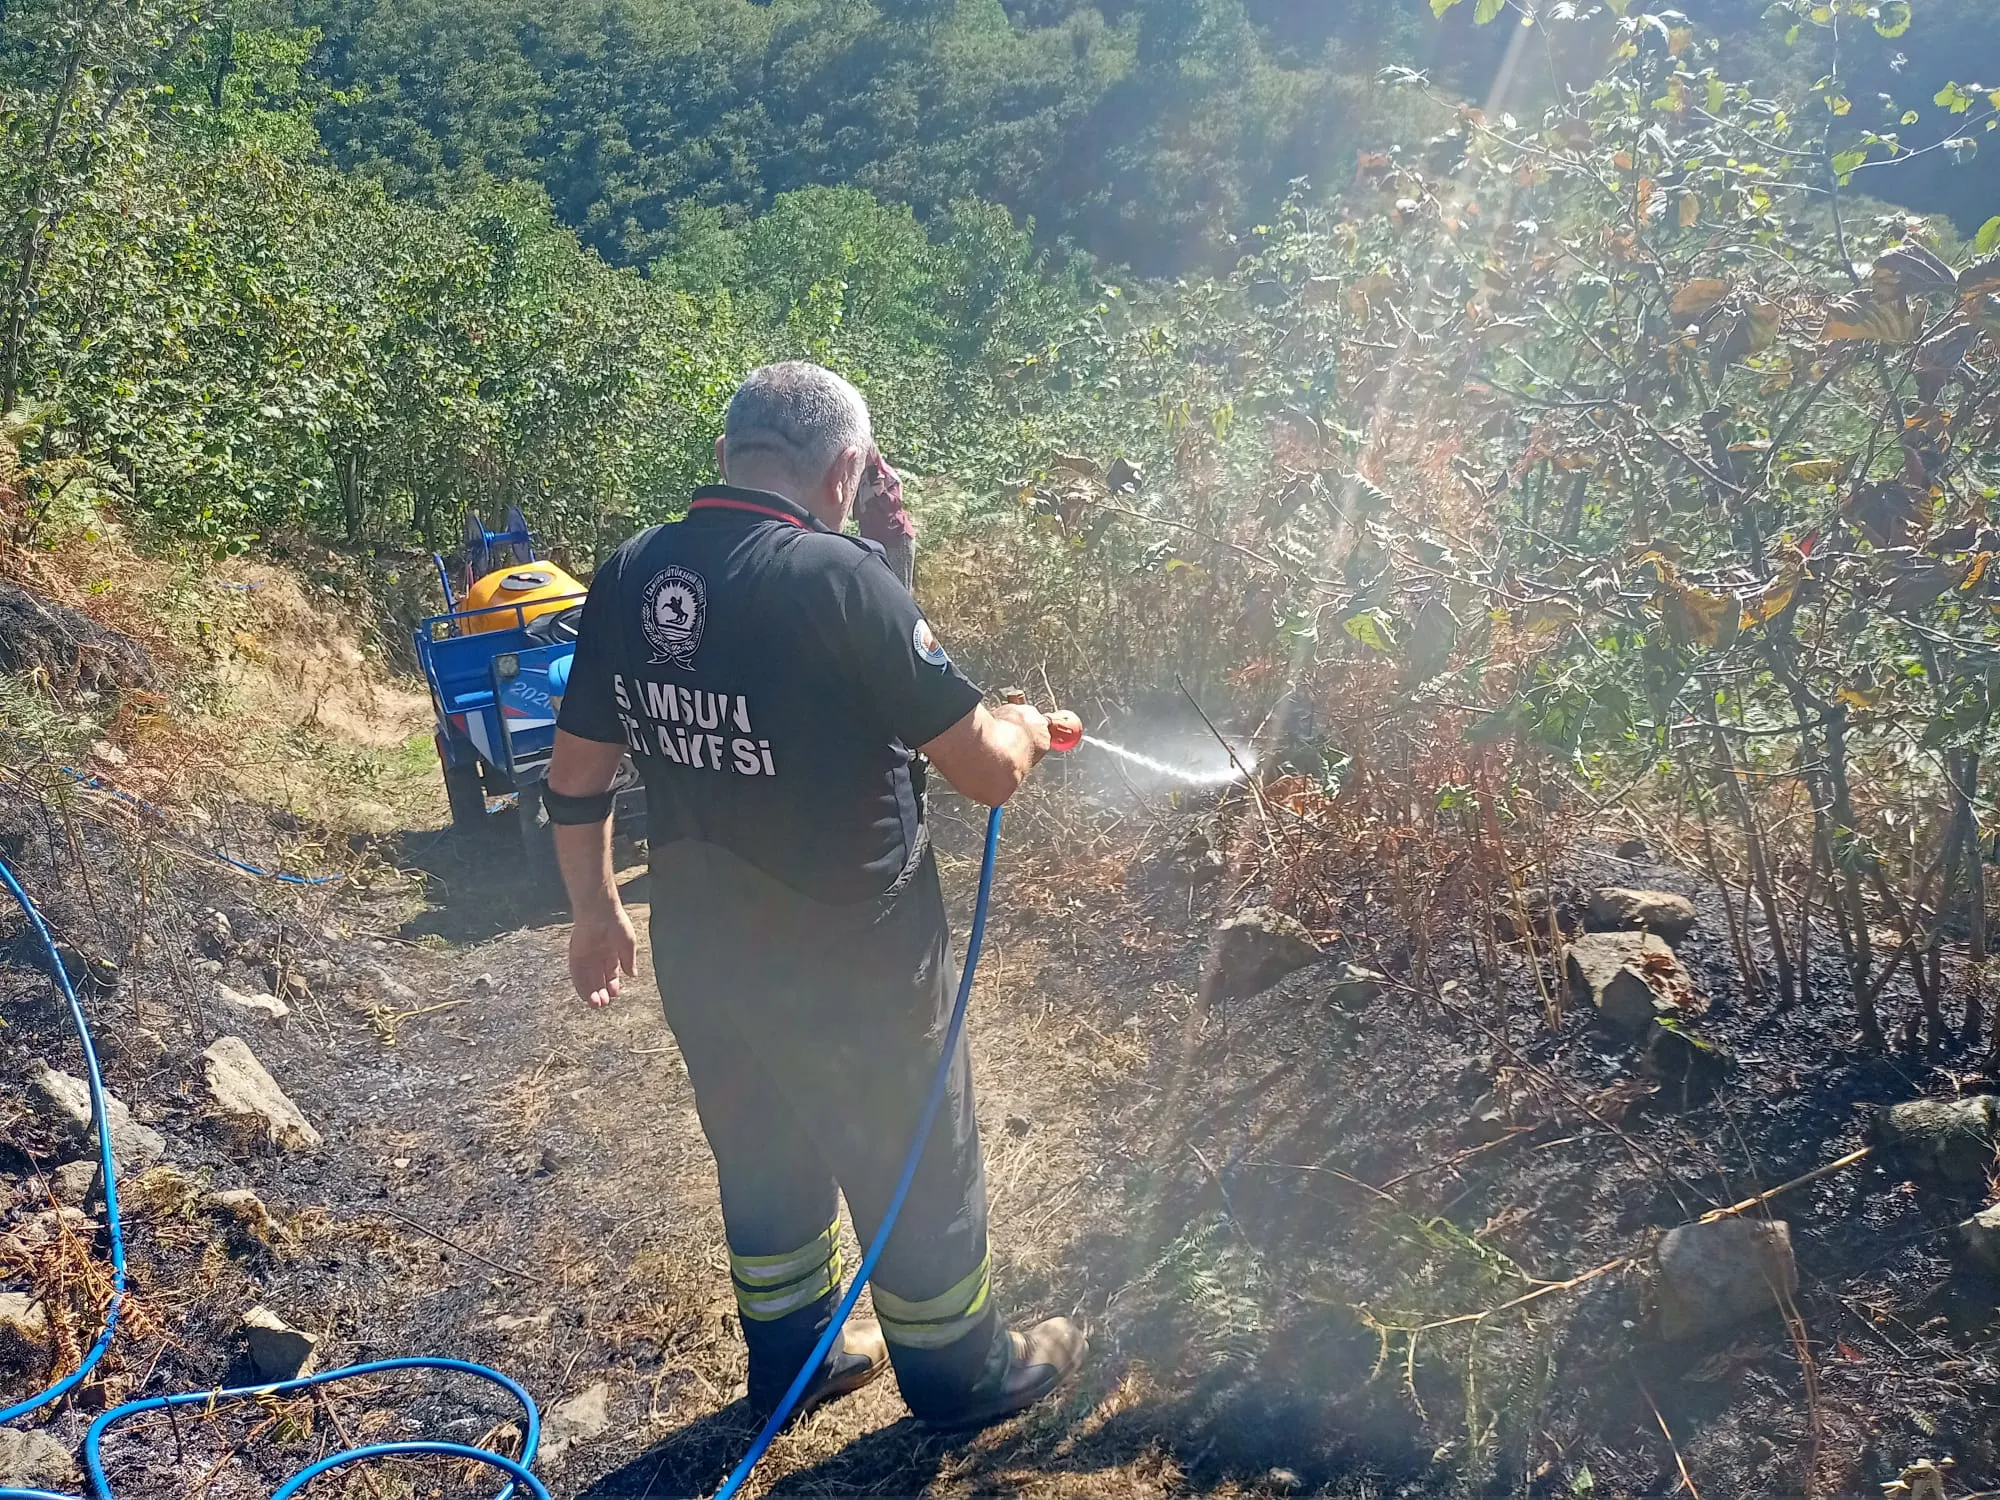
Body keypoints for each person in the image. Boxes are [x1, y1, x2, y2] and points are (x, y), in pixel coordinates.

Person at [542, 362, 1087, 1430]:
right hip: (858, 955)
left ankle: (794, 1364)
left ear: (723, 458)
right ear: (844, 468)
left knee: (758, 1144)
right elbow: (984, 771)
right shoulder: (841, 580)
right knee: (915, 1152)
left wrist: (596, 911)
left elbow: (575, 774)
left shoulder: (629, 571)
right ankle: (960, 1373)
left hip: (702, 944)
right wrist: (1019, 726)